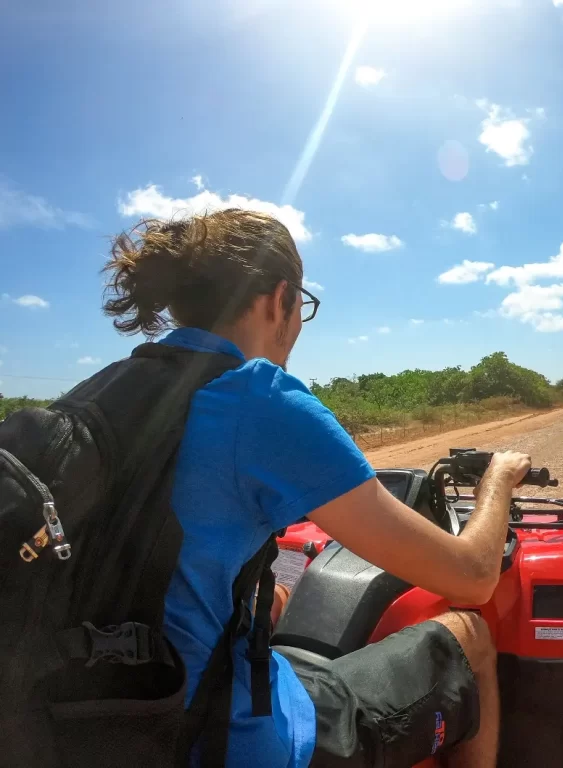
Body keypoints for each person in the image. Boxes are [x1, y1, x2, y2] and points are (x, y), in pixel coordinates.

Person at [100, 208, 531, 768]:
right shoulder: (258, 398)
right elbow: (473, 577)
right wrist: (498, 476)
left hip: (111, 723)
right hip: (221, 740)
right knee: (469, 634)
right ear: (280, 298)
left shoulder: (108, 392)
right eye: (301, 307)